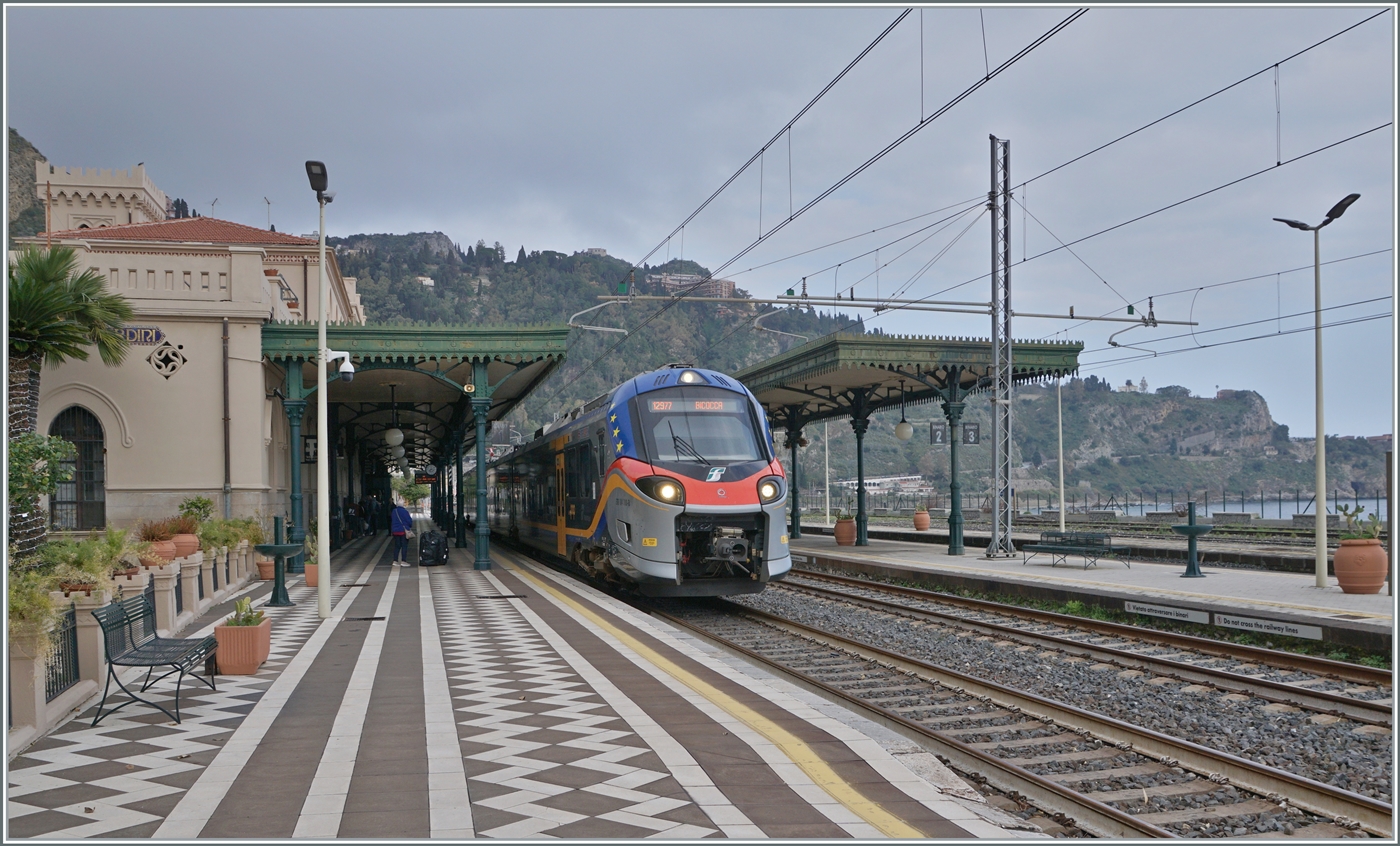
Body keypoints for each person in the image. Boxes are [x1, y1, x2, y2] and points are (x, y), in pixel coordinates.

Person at [389, 496, 414, 567]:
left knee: (397, 546)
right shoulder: (405, 511)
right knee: (404, 546)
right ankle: (403, 560)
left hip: (395, 531)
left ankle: (395, 560)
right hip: (403, 531)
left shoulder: (394, 511)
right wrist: (408, 527)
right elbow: (409, 521)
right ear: (403, 504)